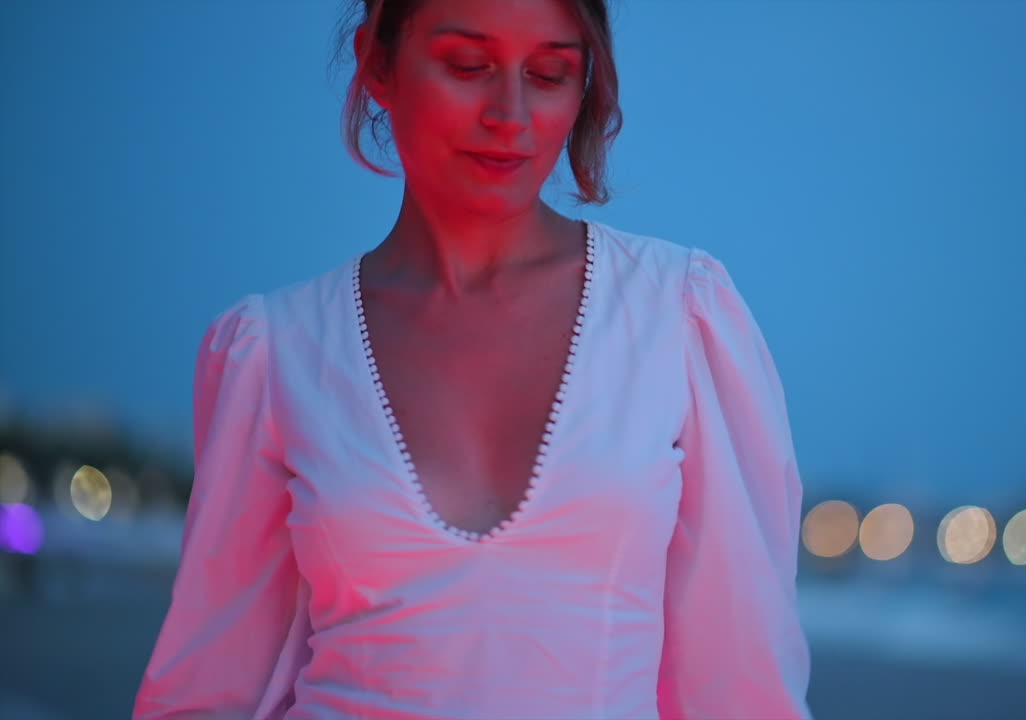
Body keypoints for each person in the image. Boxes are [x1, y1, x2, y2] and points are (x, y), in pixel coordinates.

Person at [132, 0, 812, 717]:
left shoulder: (677, 315)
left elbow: (743, 690)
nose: (510, 112)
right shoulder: (276, 349)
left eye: (550, 73)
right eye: (468, 66)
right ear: (376, 62)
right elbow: (210, 692)